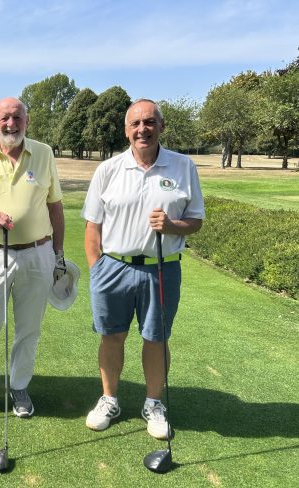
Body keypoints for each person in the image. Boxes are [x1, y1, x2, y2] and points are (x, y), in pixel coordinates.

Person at [82, 99, 204, 439]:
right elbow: (93, 226)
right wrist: (97, 269)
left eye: (149, 122)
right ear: (126, 130)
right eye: (135, 123)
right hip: (113, 268)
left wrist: (173, 225)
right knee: (111, 336)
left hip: (162, 268)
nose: (142, 129)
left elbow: (195, 221)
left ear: (161, 126)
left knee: (156, 338)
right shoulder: (108, 169)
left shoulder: (182, 166)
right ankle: (109, 399)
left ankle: (153, 403)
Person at [0, 97, 66, 421]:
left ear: (26, 121)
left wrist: (58, 255)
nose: (11, 124)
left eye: (17, 117)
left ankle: (19, 387)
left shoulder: (44, 153)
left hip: (38, 252)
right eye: (4, 118)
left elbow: (55, 207)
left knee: (28, 328)